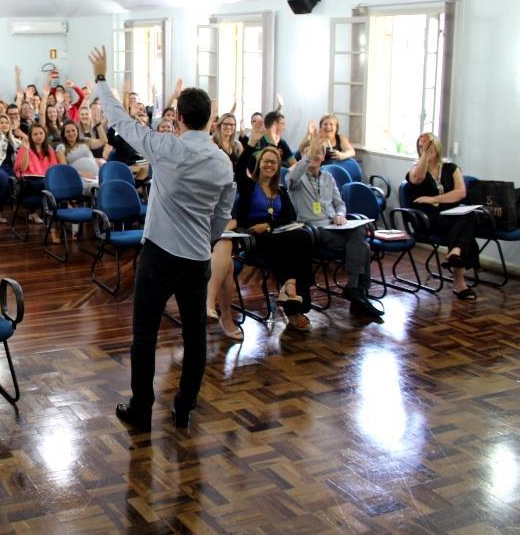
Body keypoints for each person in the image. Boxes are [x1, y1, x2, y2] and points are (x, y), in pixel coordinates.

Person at [90, 47, 234, 432]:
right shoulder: (222, 162)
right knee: (196, 335)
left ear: (180, 118)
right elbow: (223, 210)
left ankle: (141, 408)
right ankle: (184, 408)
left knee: (145, 335)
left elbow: (120, 120)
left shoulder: (167, 148)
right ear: (209, 120)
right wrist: (208, 240)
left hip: (159, 256)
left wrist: (102, 80)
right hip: (196, 258)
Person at [288, 129, 382, 321]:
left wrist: (340, 214)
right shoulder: (295, 178)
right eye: (310, 152)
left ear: (323, 157)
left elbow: (340, 204)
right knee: (361, 246)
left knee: (359, 232)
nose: (315, 155)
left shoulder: (328, 178)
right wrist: (310, 149)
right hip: (313, 230)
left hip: (335, 226)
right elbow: (293, 177)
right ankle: (357, 292)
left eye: (319, 153)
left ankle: (355, 289)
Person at [234, 145, 316, 331]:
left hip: (275, 233)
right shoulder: (249, 186)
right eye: (266, 161)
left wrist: (269, 225)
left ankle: (290, 287)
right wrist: (251, 143)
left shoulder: (280, 191)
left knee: (303, 236)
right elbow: (239, 167)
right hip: (256, 237)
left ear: (279, 167)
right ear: (259, 163)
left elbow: (289, 217)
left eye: (274, 162)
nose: (269, 165)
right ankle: (294, 307)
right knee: (289, 245)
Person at [404, 133, 480, 301]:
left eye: (428, 146)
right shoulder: (414, 169)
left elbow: (461, 193)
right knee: (466, 231)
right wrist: (424, 155)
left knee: (470, 216)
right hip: (426, 219)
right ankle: (459, 282)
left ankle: (455, 253)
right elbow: (419, 178)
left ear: (437, 147)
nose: (424, 148)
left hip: (450, 215)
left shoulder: (451, 168)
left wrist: (434, 199)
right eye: (421, 146)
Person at [14, 123, 56, 225]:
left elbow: (54, 168)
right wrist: (27, 150)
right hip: (28, 184)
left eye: (41, 133)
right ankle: (52, 216)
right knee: (46, 185)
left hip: (44, 181)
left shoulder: (49, 149)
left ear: (45, 134)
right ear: (31, 136)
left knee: (50, 184)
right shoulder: (24, 148)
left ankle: (53, 215)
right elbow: (22, 168)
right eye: (35, 134)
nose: (39, 136)